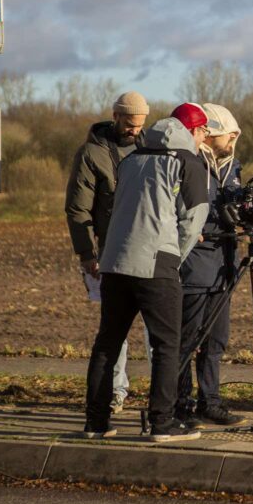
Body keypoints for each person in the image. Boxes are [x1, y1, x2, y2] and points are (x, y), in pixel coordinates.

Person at [83, 103, 212, 442]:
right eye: (203, 135)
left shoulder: (130, 160)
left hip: (114, 262)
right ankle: (162, 423)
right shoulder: (188, 162)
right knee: (168, 345)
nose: (203, 142)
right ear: (194, 133)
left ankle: (96, 423)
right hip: (156, 264)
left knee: (107, 344)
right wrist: (174, 258)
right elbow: (194, 218)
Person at [175, 103, 253, 428]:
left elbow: (235, 205)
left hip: (223, 265)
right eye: (231, 134)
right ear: (212, 132)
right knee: (187, 339)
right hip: (195, 265)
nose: (234, 140)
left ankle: (209, 402)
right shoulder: (187, 161)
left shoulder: (230, 167)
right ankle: (179, 405)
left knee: (215, 340)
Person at [65, 91, 149, 414]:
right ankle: (115, 392)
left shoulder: (149, 147)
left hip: (147, 251)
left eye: (140, 125)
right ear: (115, 117)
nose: (135, 131)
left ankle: (162, 396)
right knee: (115, 330)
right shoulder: (90, 154)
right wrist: (87, 254)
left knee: (156, 331)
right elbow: (78, 209)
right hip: (109, 254)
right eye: (129, 124)